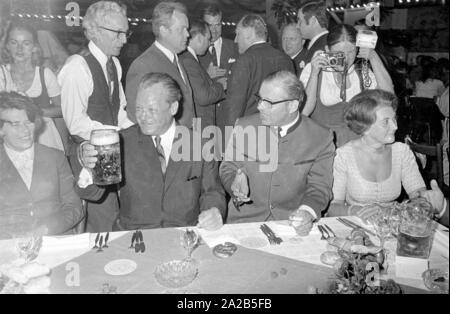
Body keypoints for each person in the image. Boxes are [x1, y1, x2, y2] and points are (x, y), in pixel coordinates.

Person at [77, 73, 226, 231]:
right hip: (133, 238)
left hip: (183, 236)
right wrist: (90, 168)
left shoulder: (199, 144)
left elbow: (213, 192)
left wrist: (214, 211)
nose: (143, 116)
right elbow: (89, 193)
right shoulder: (121, 142)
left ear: (173, 108)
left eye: (151, 110)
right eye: (139, 108)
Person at [220, 71, 334, 236]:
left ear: (293, 106)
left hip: (291, 224)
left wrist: (307, 212)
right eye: (260, 99)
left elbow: (320, 186)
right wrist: (234, 185)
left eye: (268, 102)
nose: (260, 107)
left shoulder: (320, 137)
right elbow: (228, 167)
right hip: (245, 222)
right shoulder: (243, 126)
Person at [57, 1, 134, 232]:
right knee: (103, 223)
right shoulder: (77, 67)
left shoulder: (115, 64)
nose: (125, 39)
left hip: (111, 155)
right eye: (118, 33)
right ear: (95, 31)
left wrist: (141, 131)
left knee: (120, 217)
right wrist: (114, 134)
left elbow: (120, 110)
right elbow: (75, 123)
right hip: (88, 160)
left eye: (126, 32)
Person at [329, 89, 426, 219]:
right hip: (356, 226)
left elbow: (420, 198)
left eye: (394, 119)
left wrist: (397, 211)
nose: (395, 126)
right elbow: (333, 207)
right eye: (386, 122)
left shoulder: (402, 152)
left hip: (392, 224)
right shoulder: (344, 155)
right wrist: (354, 211)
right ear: (365, 128)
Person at [0, 92, 83, 239]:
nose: (25, 130)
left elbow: (75, 208)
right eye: (16, 124)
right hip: (9, 245)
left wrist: (46, 228)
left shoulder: (55, 157)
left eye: (28, 122)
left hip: (55, 239)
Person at [300, 24, 394, 147]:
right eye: (339, 53)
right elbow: (304, 111)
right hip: (322, 147)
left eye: (351, 51)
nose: (345, 58)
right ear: (327, 50)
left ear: (358, 49)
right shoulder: (314, 70)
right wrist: (314, 74)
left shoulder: (362, 72)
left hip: (357, 147)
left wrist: (374, 57)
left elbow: (389, 99)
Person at [126, 1, 195, 127]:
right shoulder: (143, 66)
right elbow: (137, 120)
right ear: (164, 30)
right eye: (182, 29)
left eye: (187, 29)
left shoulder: (176, 59)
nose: (188, 34)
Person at [0, 22, 65, 152]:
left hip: (45, 139)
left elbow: (62, 110)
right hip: (12, 142)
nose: (19, 49)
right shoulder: (2, 74)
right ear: (7, 46)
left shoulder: (45, 74)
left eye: (26, 43)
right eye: (14, 42)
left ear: (34, 47)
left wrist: (36, 112)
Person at [222, 14, 294, 132]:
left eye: (238, 34)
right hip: (280, 132)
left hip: (251, 134)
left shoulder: (243, 61)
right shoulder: (285, 59)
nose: (235, 40)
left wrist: (230, 142)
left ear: (249, 34)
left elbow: (234, 108)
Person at [179, 20, 225, 128]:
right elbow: (203, 97)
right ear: (199, 38)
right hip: (200, 127)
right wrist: (221, 86)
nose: (210, 43)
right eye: (208, 39)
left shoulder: (189, 58)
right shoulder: (188, 61)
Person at [198, 4, 238, 81]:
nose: (214, 30)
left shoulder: (234, 47)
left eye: (217, 25)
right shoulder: (196, 51)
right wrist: (206, 75)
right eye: (210, 25)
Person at [296, 1, 329, 74]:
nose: (297, 26)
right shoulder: (324, 42)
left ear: (313, 20)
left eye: (300, 20)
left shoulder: (322, 48)